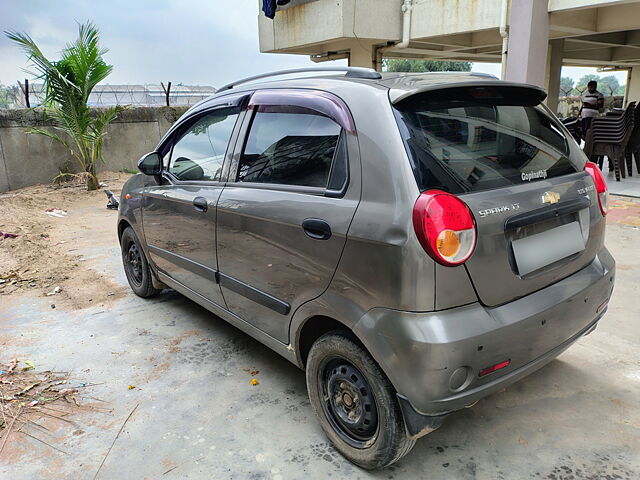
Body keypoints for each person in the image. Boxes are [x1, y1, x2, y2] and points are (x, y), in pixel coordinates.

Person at [580, 80, 605, 168]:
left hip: (592, 117)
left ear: (596, 87)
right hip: (584, 116)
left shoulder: (599, 95)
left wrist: (589, 105)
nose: (591, 88)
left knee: (589, 133)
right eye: (590, 86)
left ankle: (589, 150)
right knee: (584, 133)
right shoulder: (585, 94)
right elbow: (583, 105)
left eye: (593, 86)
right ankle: (586, 149)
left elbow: (600, 106)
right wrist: (579, 113)